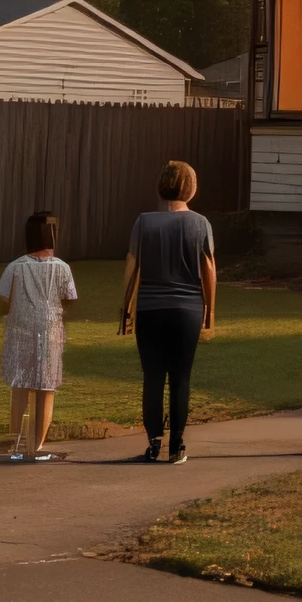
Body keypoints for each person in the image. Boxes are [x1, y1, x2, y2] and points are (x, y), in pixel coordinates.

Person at [120, 157, 216, 463]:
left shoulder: (144, 221)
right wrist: (209, 313)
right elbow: (208, 270)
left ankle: (153, 443)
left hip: (149, 308)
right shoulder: (200, 223)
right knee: (180, 378)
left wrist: (126, 309)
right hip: (187, 310)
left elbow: (132, 268)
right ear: (191, 188)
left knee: (152, 377)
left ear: (161, 186)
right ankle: (177, 445)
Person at [0, 212, 76, 461]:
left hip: (20, 331)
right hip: (50, 331)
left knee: (20, 385)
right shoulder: (61, 268)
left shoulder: (16, 267)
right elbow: (70, 298)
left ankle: (16, 442)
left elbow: (2, 297)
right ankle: (37, 444)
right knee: (46, 387)